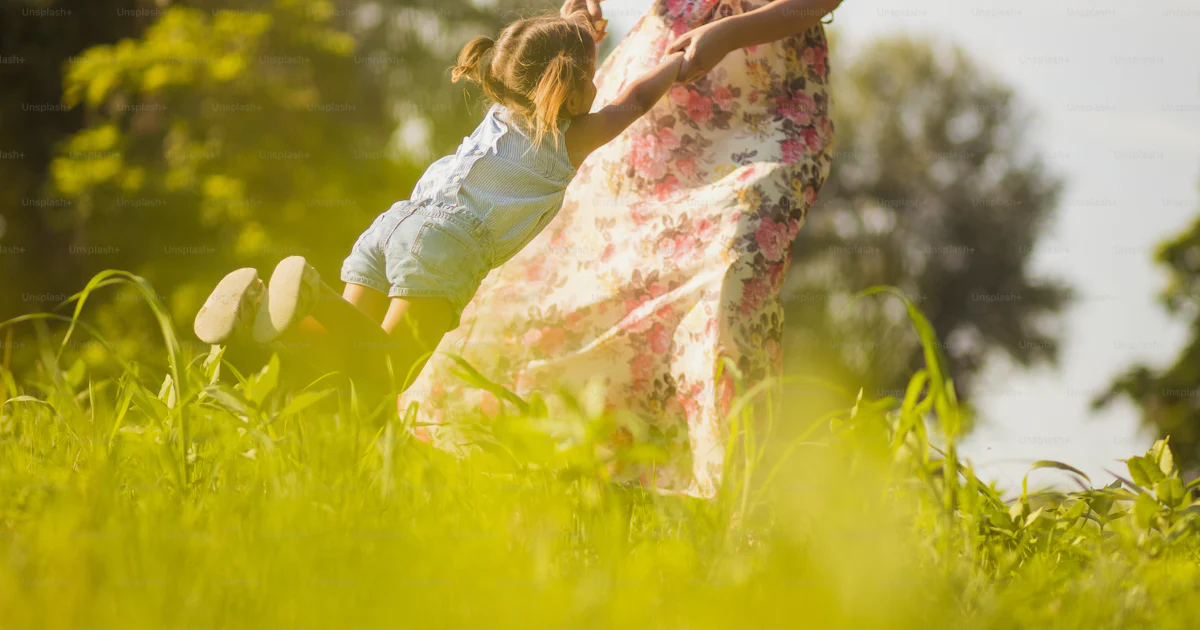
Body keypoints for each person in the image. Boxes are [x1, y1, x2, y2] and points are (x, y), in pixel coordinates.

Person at [399, 0, 840, 497]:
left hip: (771, 94)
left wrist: (727, 34)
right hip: (663, 70)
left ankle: (726, 493)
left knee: (737, 261)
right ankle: (558, 459)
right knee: (590, 259)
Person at [192, 12, 686, 395]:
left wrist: (577, 26)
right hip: (444, 245)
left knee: (351, 361)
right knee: (387, 374)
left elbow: (536, 53)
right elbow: (636, 102)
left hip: (395, 223)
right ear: (568, 88)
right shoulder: (569, 139)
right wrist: (681, 61)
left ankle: (262, 305)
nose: (598, 87)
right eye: (591, 77)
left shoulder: (504, 102)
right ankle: (311, 296)